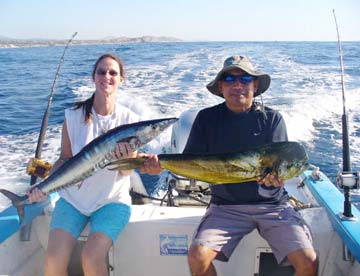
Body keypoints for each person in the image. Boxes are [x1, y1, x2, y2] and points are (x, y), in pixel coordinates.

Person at [143, 55, 318, 276]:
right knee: (198, 257)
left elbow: (278, 167)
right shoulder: (206, 119)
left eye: (245, 79)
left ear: (255, 85)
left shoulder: (272, 119)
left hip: (273, 206)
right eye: (229, 79)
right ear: (220, 86)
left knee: (309, 261)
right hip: (225, 207)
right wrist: (162, 165)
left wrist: (273, 182)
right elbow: (190, 162)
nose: (237, 85)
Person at [29, 53, 140, 276]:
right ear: (93, 77)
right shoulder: (72, 116)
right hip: (73, 201)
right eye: (101, 71)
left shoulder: (131, 122)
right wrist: (43, 187)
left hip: (112, 201)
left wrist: (122, 159)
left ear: (121, 80)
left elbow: (127, 171)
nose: (106, 76)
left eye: (113, 73)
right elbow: (65, 159)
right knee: (52, 261)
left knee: (91, 257)